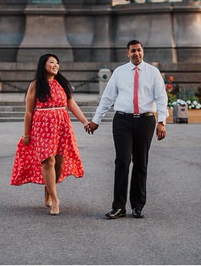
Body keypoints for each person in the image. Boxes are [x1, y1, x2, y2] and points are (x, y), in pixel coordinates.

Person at [85, 40, 168, 219]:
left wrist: (162, 121)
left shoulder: (153, 73)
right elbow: (107, 98)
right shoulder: (119, 72)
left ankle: (138, 206)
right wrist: (96, 120)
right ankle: (118, 207)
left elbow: (161, 97)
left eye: (138, 50)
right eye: (132, 51)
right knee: (122, 161)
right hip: (123, 121)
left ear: (143, 52)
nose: (136, 54)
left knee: (141, 163)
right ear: (127, 53)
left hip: (145, 121)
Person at [11, 53, 91, 215]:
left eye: (57, 62)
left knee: (59, 163)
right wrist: (26, 134)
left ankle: (49, 188)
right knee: (48, 161)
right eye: (52, 62)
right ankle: (55, 199)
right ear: (43, 65)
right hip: (42, 126)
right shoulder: (36, 85)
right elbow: (28, 111)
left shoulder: (62, 83)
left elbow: (72, 104)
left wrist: (84, 121)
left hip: (62, 125)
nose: (55, 65)